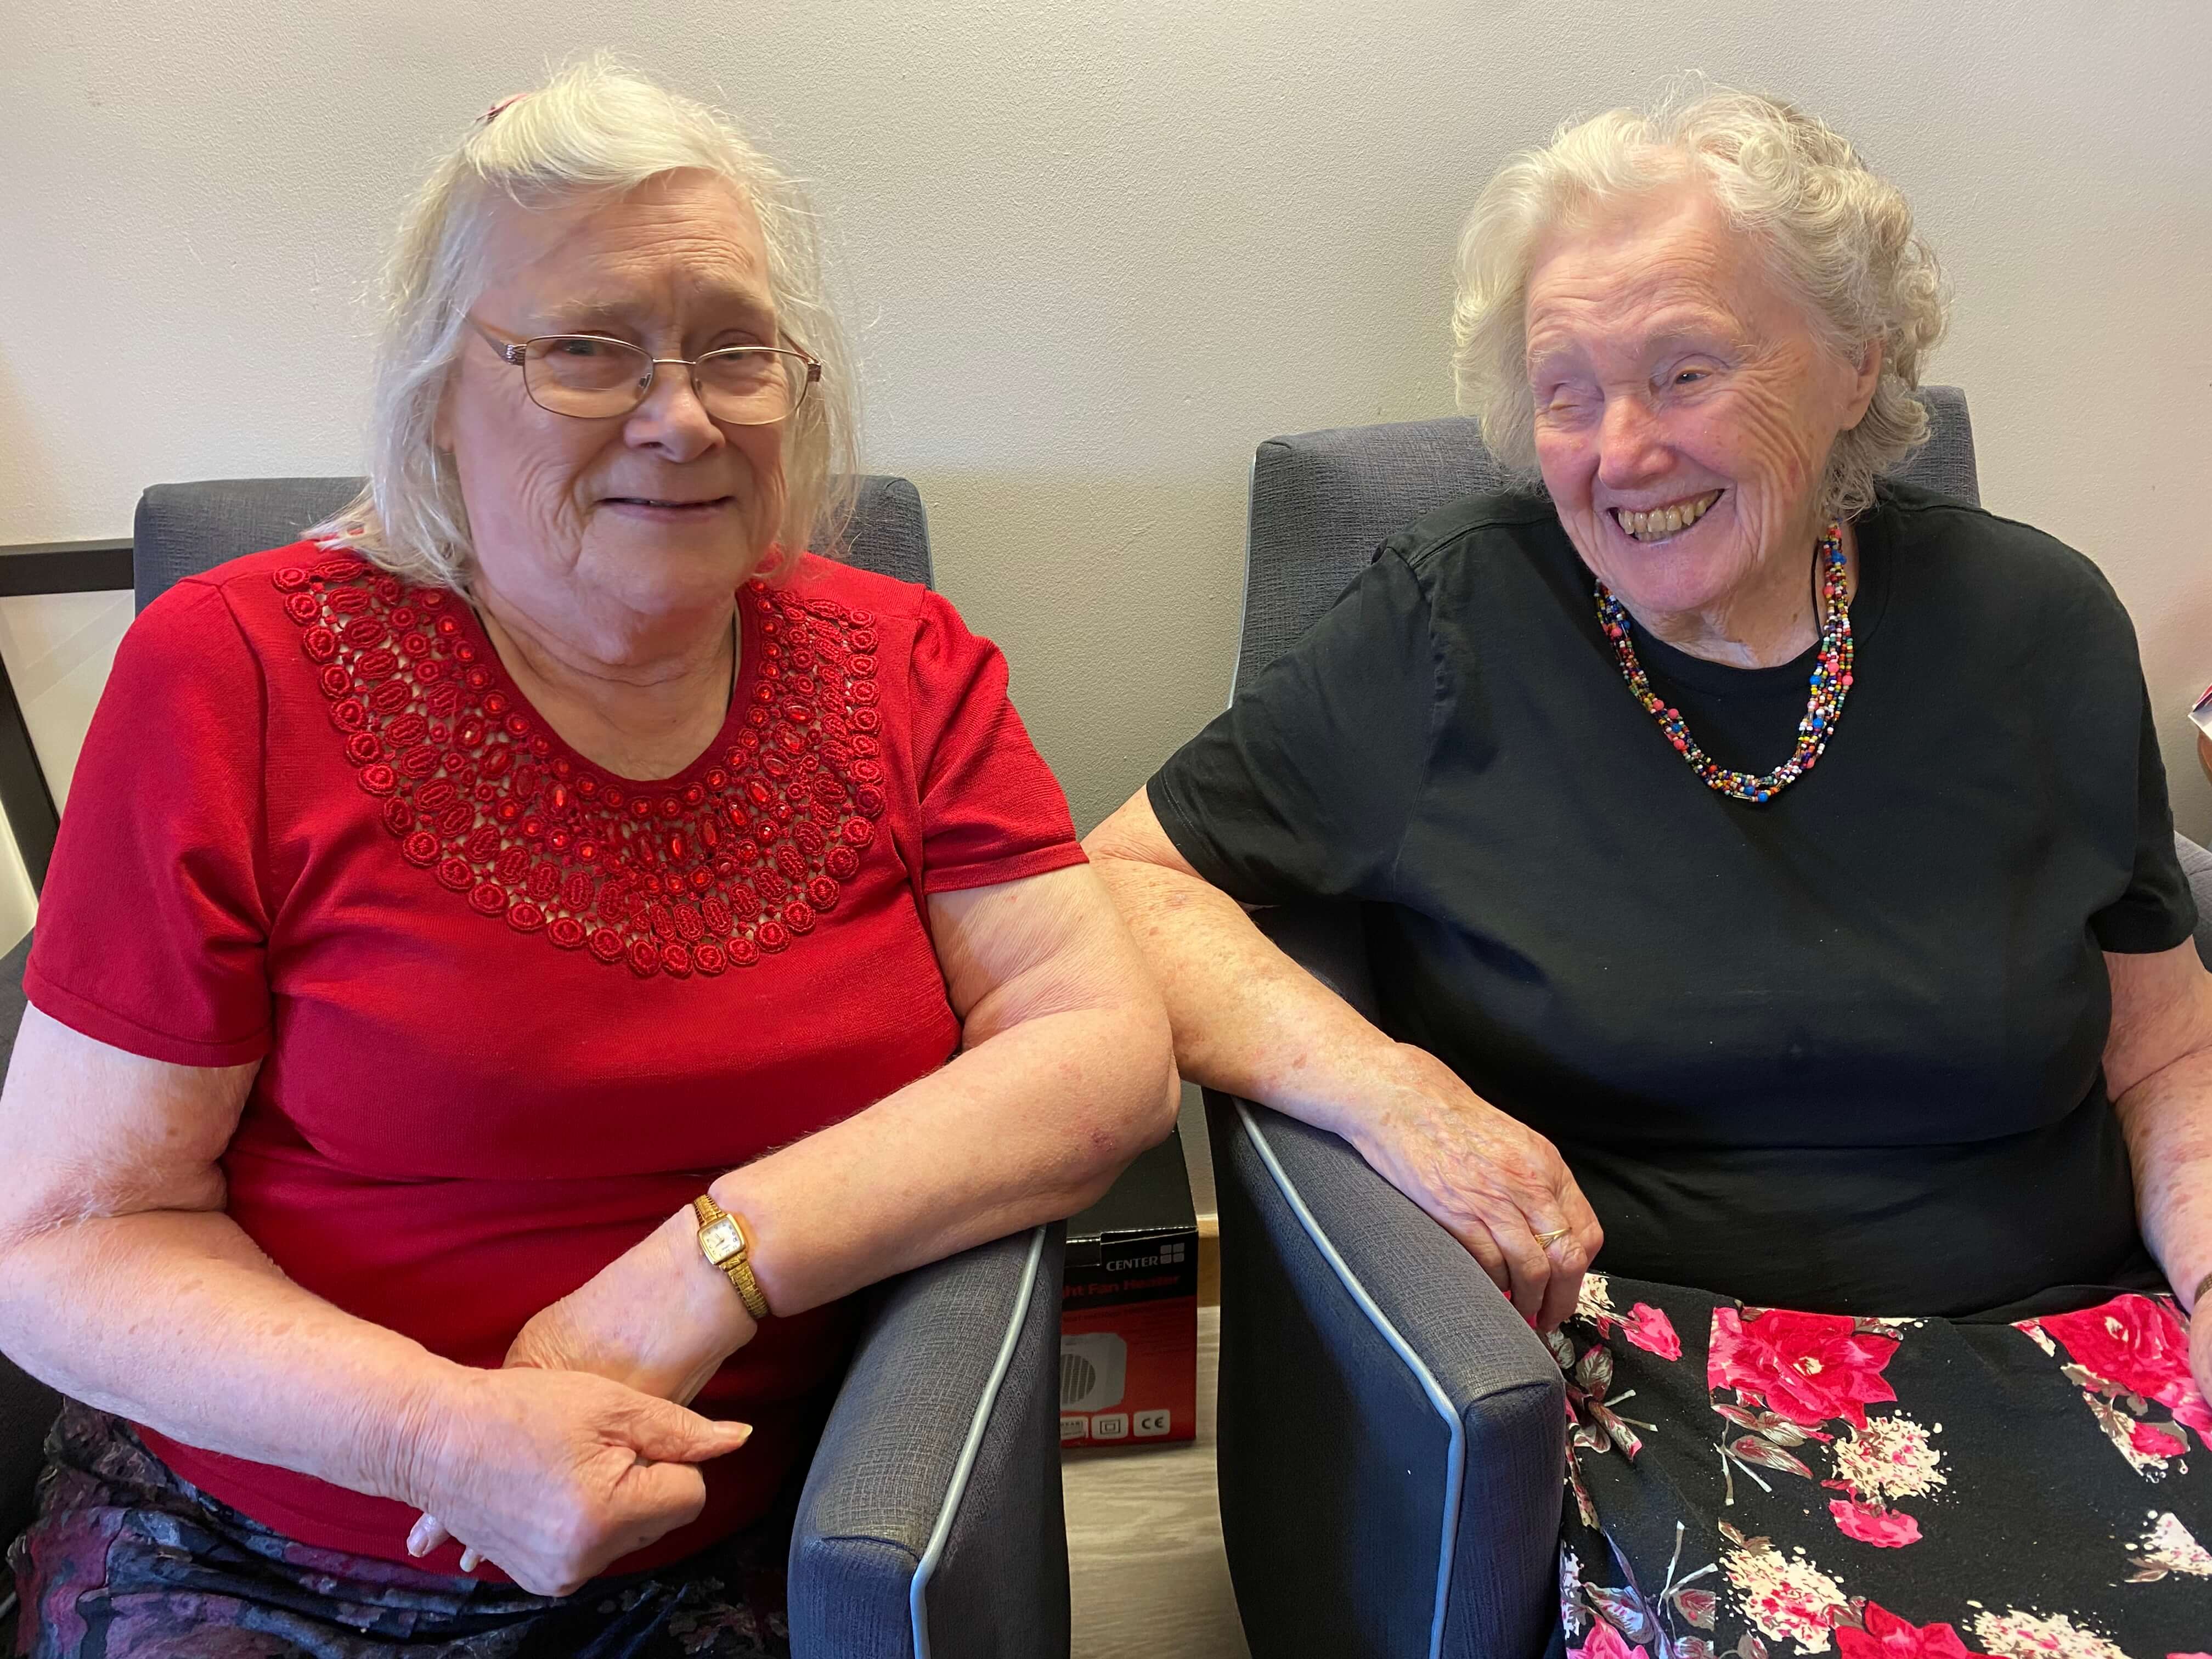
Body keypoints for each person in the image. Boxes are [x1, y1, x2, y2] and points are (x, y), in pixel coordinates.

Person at [0, 59, 1176, 1658]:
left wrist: (706, 1272)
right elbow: (66, 1238)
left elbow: (1097, 1050)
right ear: (436, 395)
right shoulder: (232, 673)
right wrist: (434, 1434)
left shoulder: (903, 664)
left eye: (734, 348)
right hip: (254, 1545)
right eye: (587, 350)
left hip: (731, 1538)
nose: (682, 413)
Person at [1087, 88, 2212, 1657]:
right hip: (1659, 1376)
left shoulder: (2043, 627)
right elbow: (1118, 887)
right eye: (1566, 390)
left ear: (1855, 361)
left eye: (1686, 370)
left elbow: (2164, 1040)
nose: (1623, 453)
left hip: (2074, 1347)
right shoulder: (1454, 628)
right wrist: (1392, 1092)